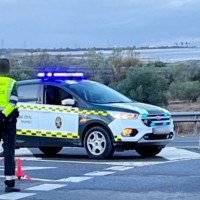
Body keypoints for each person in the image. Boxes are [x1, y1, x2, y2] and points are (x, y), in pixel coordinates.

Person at [0, 58, 20, 192]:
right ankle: (9, 182)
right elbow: (13, 102)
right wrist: (3, 115)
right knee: (8, 151)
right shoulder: (12, 83)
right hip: (8, 122)